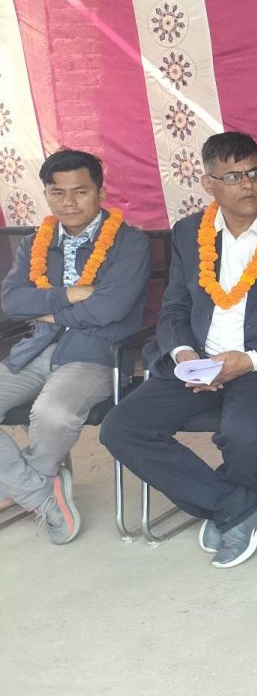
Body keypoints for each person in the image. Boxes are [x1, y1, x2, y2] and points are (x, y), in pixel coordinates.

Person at [101, 132, 257, 568]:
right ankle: (236, 505)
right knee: (120, 428)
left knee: (245, 435)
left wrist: (250, 359)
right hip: (195, 362)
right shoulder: (189, 233)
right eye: (233, 176)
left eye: (255, 173)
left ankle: (230, 506)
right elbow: (174, 307)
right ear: (208, 183)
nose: (247, 184)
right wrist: (184, 355)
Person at [0, 150, 150, 543]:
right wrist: (70, 294)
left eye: (80, 191)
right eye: (57, 192)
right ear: (46, 195)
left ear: (101, 191)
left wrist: (47, 309)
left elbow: (109, 310)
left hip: (97, 353)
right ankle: (40, 492)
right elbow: (12, 302)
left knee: (52, 413)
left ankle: (20, 484)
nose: (68, 202)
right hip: (34, 350)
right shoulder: (35, 242)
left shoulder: (129, 243)